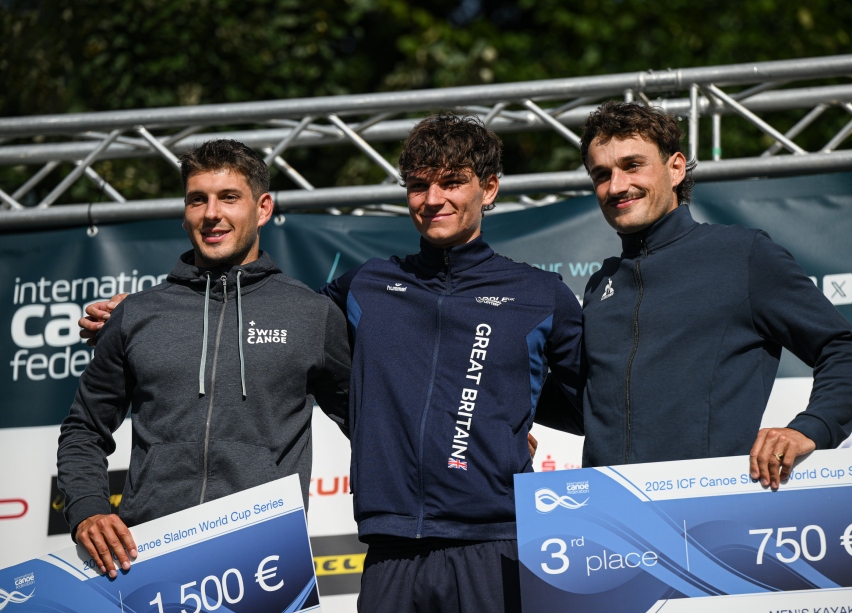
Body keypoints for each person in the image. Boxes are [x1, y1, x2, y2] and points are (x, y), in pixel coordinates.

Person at [79, 113, 584, 612]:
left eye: (452, 183)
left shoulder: (541, 294)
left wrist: (501, 426)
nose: (433, 200)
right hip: (388, 552)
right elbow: (263, 309)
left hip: (494, 541)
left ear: (489, 189)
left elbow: (594, 405)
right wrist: (149, 307)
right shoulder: (365, 286)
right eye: (418, 185)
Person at [57, 139, 351, 579]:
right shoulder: (138, 314)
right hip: (146, 560)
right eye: (198, 199)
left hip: (263, 566)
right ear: (185, 211)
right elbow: (83, 429)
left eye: (228, 197)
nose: (211, 213)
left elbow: (373, 427)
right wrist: (87, 511)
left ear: (263, 207)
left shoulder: (311, 314)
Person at [553, 100, 852, 489]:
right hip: (611, 521)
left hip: (708, 515)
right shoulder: (600, 284)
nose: (617, 186)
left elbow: (846, 350)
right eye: (601, 174)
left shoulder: (742, 255)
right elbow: (591, 409)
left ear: (675, 168)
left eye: (632, 165)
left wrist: (811, 427)